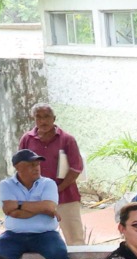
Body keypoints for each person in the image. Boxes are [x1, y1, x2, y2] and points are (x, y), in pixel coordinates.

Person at [0, 149, 72, 259]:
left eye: (38, 164)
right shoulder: (6, 185)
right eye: (31, 165)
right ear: (18, 167)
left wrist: (18, 204)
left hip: (46, 234)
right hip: (14, 235)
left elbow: (49, 207)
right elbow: (10, 211)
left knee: (60, 254)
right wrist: (42, 208)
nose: (36, 168)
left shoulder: (48, 183)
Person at [18, 103, 86, 244]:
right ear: (34, 119)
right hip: (36, 198)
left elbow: (76, 168)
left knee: (75, 238)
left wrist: (56, 189)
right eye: (39, 117)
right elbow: (20, 166)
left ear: (54, 118)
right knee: (38, 238)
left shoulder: (67, 139)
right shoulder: (27, 139)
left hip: (65, 196)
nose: (43, 121)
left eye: (47, 117)